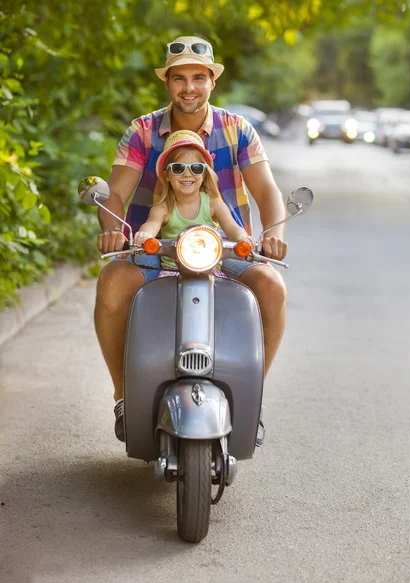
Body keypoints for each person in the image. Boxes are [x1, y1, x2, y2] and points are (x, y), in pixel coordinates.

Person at [96, 35, 288, 445]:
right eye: (179, 78)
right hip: (152, 249)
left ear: (212, 82)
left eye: (199, 77)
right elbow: (114, 192)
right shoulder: (142, 131)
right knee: (112, 284)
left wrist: (272, 236)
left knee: (272, 286)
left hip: (224, 247)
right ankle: (124, 397)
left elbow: (268, 192)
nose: (189, 87)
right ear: (167, 82)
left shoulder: (238, 129)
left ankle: (252, 400)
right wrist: (112, 228)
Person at [133, 129, 255, 276]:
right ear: (166, 175)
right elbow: (151, 225)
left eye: (196, 168)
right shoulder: (163, 208)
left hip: (209, 270)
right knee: (158, 295)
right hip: (172, 271)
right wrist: (145, 235)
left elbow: (232, 227)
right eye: (178, 168)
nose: (187, 174)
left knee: (227, 295)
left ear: (204, 174)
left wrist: (242, 238)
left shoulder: (213, 204)